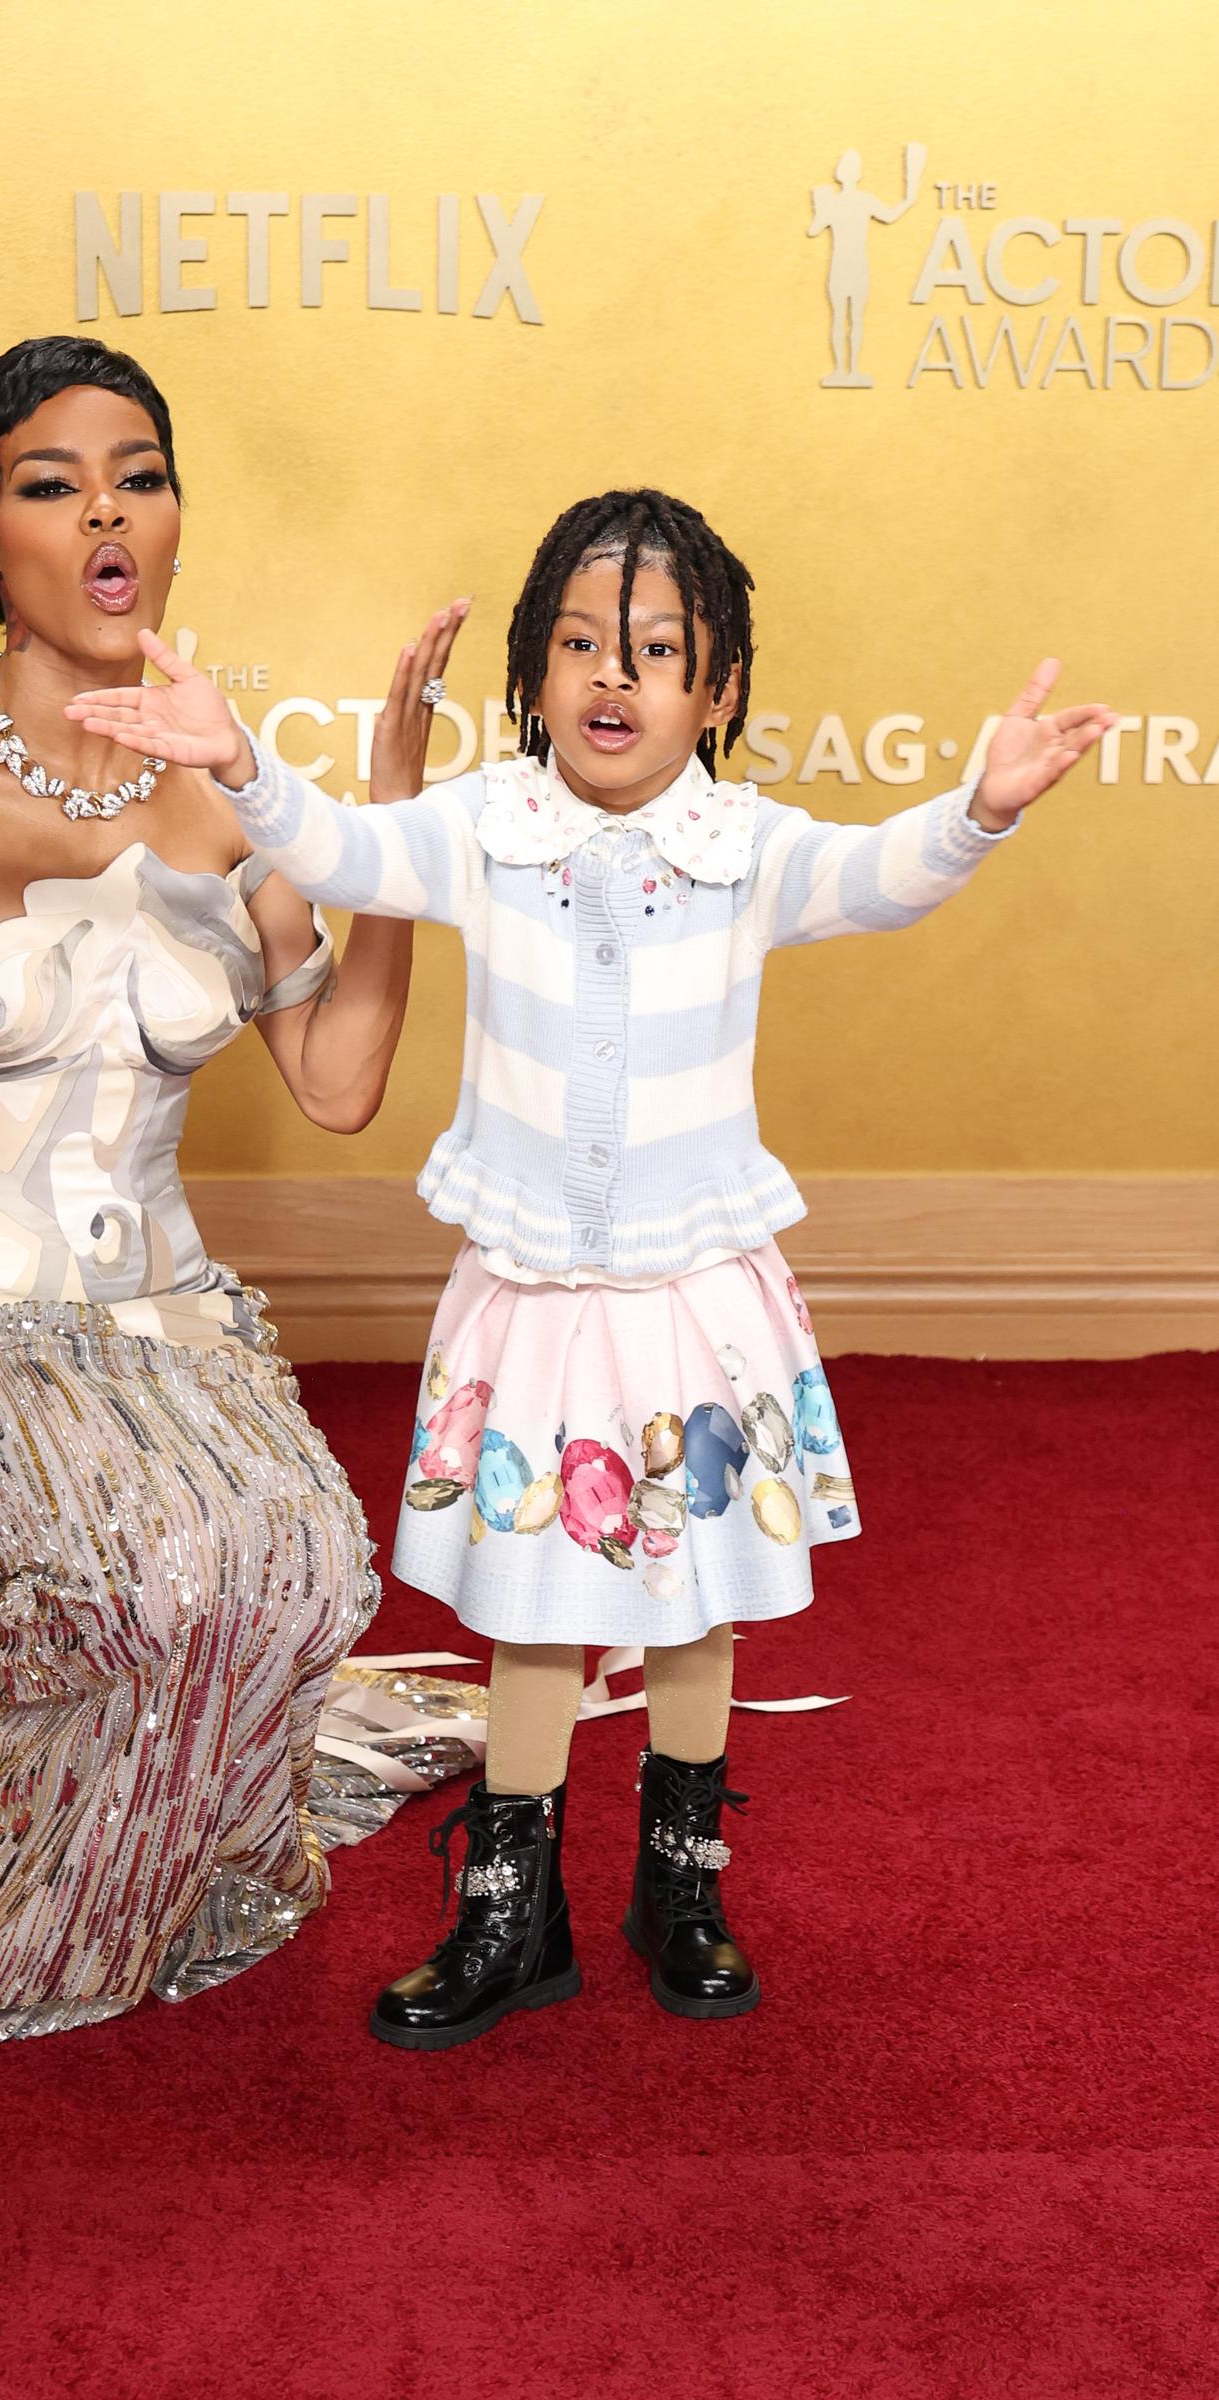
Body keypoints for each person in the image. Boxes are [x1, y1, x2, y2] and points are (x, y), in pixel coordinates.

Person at [65, 483, 1115, 2050]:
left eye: (654, 650)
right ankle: (512, 1910)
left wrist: (981, 810)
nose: (612, 679)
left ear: (720, 688)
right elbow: (346, 849)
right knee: (541, 1599)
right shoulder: (489, 829)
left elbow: (879, 877)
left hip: (693, 1292)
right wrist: (240, 762)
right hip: (543, 1291)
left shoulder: (744, 846)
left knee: (696, 1603)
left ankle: (678, 1881)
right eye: (577, 645)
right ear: (535, 677)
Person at [0, 335, 467, 2050]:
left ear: (176, 518)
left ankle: (153, 1826)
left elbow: (337, 1088)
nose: (107, 510)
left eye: (140, 474)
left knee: (305, 1574)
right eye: (52, 484)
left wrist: (392, 838)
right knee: (157, 1573)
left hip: (165, 1323)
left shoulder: (227, 794)